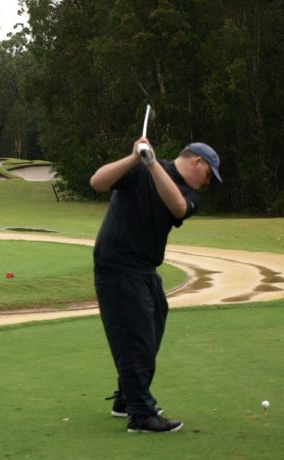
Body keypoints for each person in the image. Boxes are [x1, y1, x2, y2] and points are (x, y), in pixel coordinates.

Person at [90, 137, 222, 433]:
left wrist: (150, 163)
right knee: (136, 337)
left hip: (145, 268)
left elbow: (176, 206)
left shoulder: (189, 193)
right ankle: (140, 414)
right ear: (196, 161)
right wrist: (134, 158)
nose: (209, 182)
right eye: (209, 174)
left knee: (152, 327)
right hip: (117, 263)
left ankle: (126, 398)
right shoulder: (139, 168)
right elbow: (97, 181)